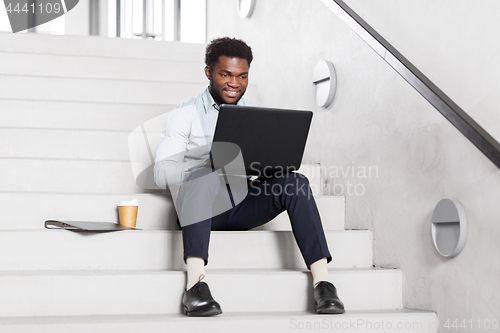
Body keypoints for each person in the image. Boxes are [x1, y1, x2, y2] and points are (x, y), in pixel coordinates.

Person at [154, 37, 344, 317]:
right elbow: (161, 174)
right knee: (200, 176)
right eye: (225, 75)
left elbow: (263, 169)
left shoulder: (252, 113)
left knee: (296, 182)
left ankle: (323, 283)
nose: (234, 83)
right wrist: (210, 155)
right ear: (209, 72)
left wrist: (273, 163)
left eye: (242, 76)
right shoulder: (185, 114)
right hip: (202, 210)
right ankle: (195, 285)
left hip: (243, 205)